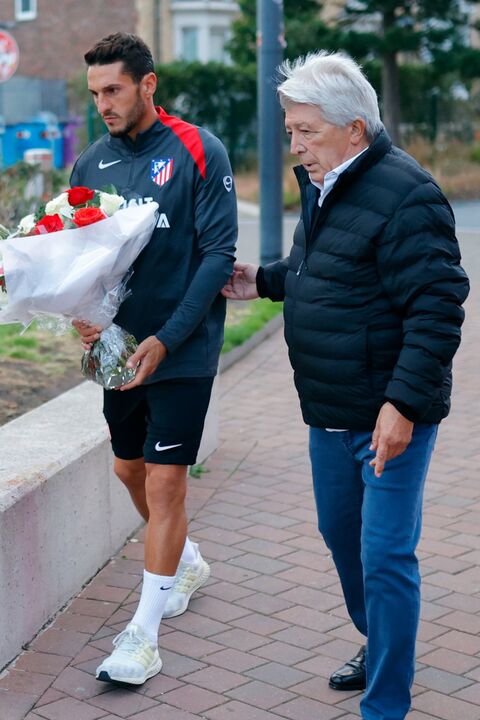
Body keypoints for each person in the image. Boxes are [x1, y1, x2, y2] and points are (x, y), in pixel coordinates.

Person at [221, 52, 468, 720]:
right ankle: (377, 640)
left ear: (353, 129)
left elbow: (438, 306)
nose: (294, 146)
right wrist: (266, 280)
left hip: (389, 414)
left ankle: (385, 704)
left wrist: (404, 404)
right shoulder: (328, 182)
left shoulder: (406, 193)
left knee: (385, 554)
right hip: (329, 411)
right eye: (291, 131)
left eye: (305, 131)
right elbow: (324, 267)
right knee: (341, 536)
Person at [69, 33, 238, 685]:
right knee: (127, 470)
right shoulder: (89, 165)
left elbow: (218, 255)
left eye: (113, 90)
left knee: (168, 483)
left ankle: (143, 635)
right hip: (116, 350)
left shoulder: (200, 149)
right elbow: (81, 258)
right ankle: (186, 560)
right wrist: (81, 312)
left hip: (183, 346)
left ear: (148, 85)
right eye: (94, 94)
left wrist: (166, 337)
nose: (103, 105)